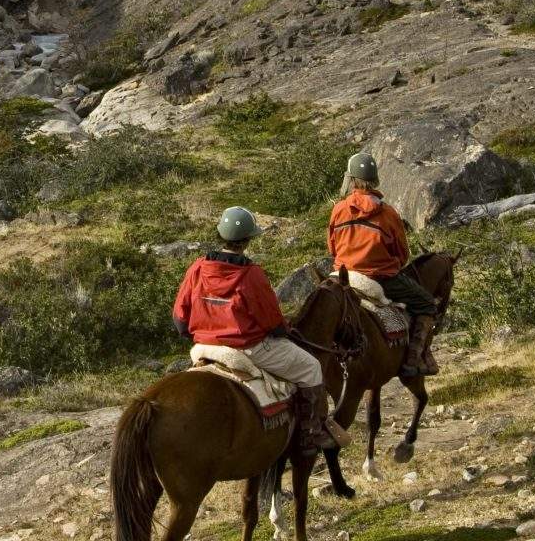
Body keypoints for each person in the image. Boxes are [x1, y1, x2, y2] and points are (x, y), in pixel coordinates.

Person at [172, 207, 337, 461]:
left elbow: (180, 320)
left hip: (204, 348)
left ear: (221, 235)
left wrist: (203, 332)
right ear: (248, 240)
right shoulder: (251, 274)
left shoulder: (197, 268)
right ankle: (310, 433)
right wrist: (283, 330)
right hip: (248, 349)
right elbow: (272, 322)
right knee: (311, 367)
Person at [327, 154, 439, 379]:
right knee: (427, 303)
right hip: (380, 278)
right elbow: (402, 254)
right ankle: (413, 360)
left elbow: (332, 247)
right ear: (374, 180)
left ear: (352, 180)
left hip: (343, 276)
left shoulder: (339, 209)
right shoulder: (388, 214)